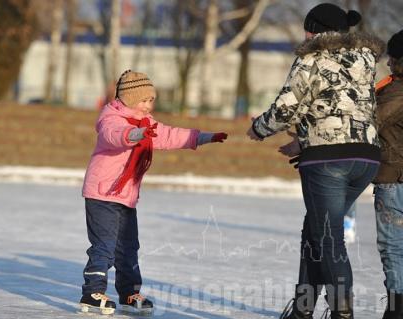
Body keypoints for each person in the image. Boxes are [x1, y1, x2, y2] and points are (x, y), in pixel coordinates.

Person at [247, 3, 385, 318]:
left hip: (328, 162)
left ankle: (342, 312)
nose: (304, 34)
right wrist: (304, 141)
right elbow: (341, 108)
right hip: (365, 156)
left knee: (327, 237)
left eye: (308, 28)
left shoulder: (312, 58)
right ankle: (302, 309)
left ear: (316, 29)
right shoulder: (365, 60)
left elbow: (286, 108)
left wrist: (259, 128)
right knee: (316, 229)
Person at [79, 70, 228, 315]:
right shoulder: (111, 117)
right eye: (145, 100)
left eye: (152, 100)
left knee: (128, 247)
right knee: (104, 245)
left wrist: (203, 137)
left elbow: (170, 135)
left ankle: (128, 293)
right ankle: (92, 293)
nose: (149, 106)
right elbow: (115, 135)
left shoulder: (147, 124)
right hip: (102, 194)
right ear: (129, 98)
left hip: (126, 197)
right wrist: (137, 134)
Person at [373, 30, 403, 319]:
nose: (389, 66)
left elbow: (369, 123)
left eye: (392, 60)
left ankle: (396, 311)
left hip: (395, 179)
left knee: (393, 247)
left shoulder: (396, 91)